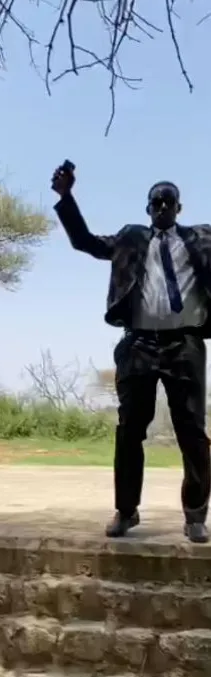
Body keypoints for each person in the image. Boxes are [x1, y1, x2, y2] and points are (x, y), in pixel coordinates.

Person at [52, 163, 211, 543]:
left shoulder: (203, 239)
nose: (161, 206)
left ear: (179, 207)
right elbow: (85, 242)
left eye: (168, 200)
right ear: (147, 208)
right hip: (138, 343)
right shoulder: (130, 238)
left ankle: (194, 515)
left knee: (192, 432)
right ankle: (126, 511)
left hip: (185, 343)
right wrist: (66, 198)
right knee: (129, 431)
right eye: (155, 201)